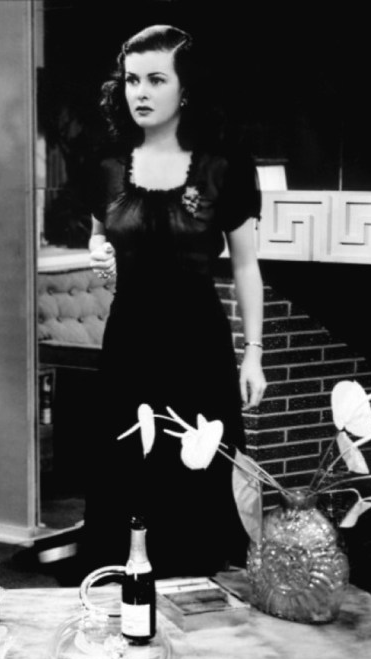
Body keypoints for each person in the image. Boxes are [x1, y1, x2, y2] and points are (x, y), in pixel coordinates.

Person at [80, 24, 266, 578]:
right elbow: (98, 237)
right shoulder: (106, 165)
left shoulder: (224, 166)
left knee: (196, 474)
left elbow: (246, 265)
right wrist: (98, 254)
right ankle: (127, 593)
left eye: (156, 79)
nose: (139, 92)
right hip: (129, 344)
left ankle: (196, 593)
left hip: (197, 347)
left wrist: (254, 354)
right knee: (127, 471)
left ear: (185, 89)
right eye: (132, 79)